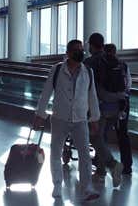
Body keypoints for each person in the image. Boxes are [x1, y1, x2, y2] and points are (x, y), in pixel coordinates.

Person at [34, 40, 101, 202]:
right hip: (60, 118)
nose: (80, 52)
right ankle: (57, 184)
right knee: (56, 151)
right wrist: (40, 114)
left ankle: (87, 187)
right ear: (69, 53)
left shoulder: (88, 72)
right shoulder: (57, 70)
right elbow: (46, 92)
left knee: (85, 153)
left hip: (80, 119)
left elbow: (92, 96)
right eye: (76, 50)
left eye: (81, 49)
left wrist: (94, 118)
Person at [83, 34, 125, 185]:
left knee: (95, 138)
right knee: (102, 138)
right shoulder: (116, 61)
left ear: (92, 46)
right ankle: (101, 171)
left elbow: (85, 87)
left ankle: (113, 165)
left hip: (99, 107)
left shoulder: (89, 62)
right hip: (115, 106)